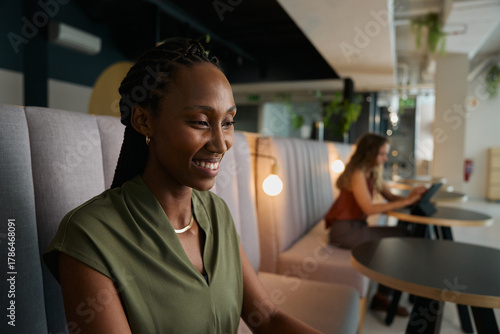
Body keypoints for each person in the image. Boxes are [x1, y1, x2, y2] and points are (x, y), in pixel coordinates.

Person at [43, 40, 321, 333]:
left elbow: (267, 318)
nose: (220, 143)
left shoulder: (217, 212)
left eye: (227, 122)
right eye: (200, 122)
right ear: (143, 121)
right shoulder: (90, 235)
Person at [325, 133, 426, 315]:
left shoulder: (372, 171)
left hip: (356, 227)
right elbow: (369, 208)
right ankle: (383, 297)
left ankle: (388, 292)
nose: (385, 158)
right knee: (401, 237)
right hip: (344, 233)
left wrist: (412, 197)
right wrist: (406, 202)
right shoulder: (357, 173)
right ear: (369, 153)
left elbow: (391, 197)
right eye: (381, 154)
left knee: (404, 233)